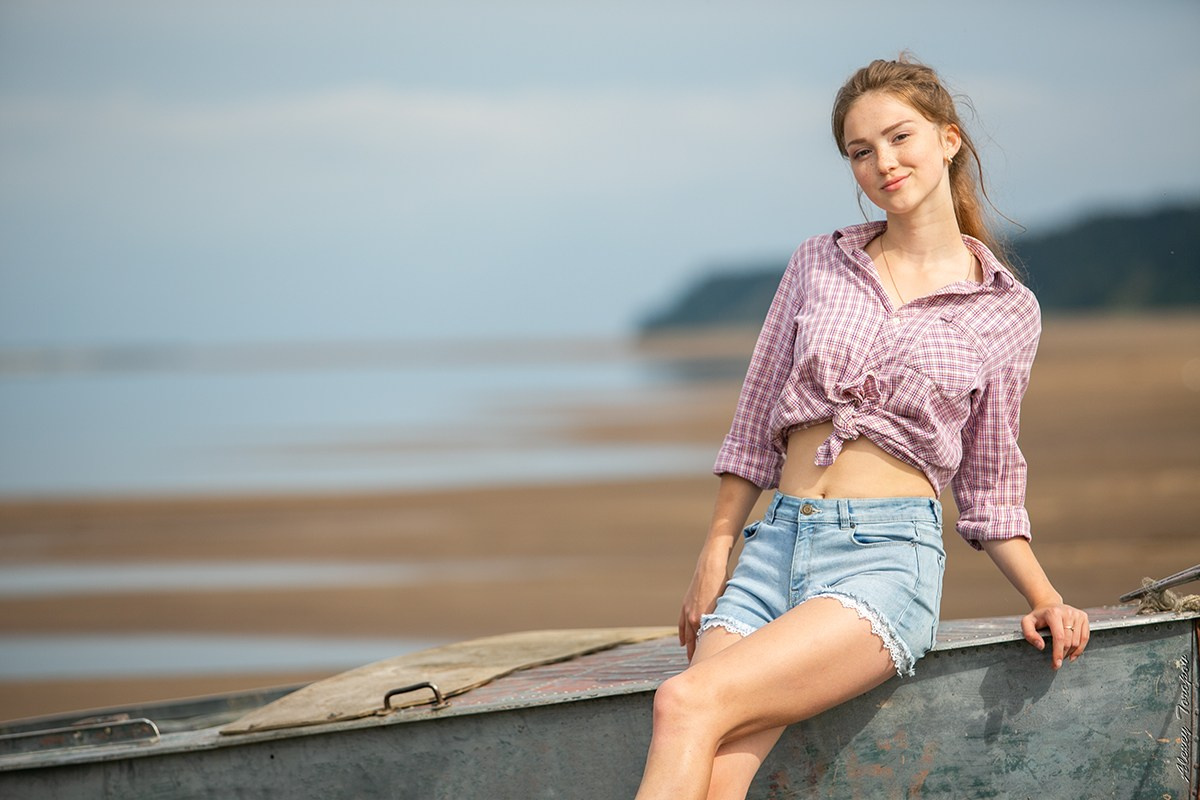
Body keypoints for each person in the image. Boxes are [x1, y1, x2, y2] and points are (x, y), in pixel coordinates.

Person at [634, 55, 1091, 799]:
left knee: (684, 701)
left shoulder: (1005, 310)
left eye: (900, 137)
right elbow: (756, 416)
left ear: (948, 140)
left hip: (882, 562)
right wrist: (716, 548)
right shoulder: (819, 262)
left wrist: (1045, 596)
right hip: (771, 550)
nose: (883, 162)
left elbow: (989, 479)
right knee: (717, 769)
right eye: (860, 150)